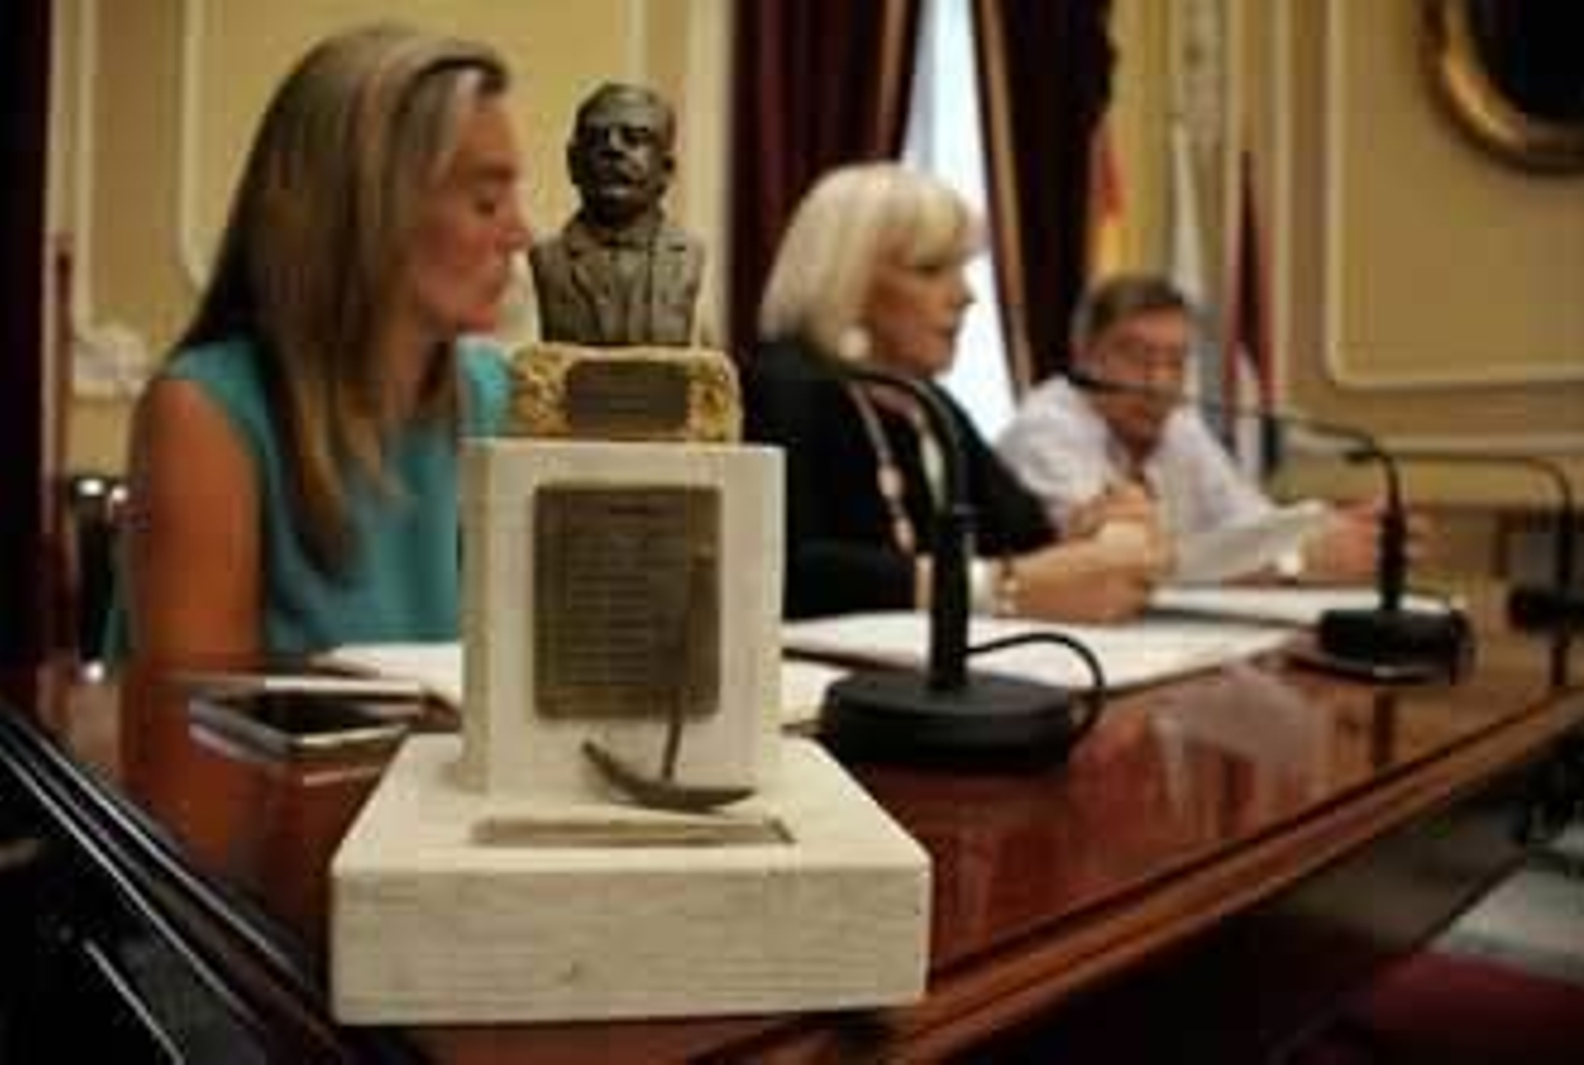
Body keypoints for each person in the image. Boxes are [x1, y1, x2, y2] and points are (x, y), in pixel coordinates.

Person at [114, 23, 532, 666]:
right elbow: (193, 752)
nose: (522, 235)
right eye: (485, 201)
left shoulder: (507, 399)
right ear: (367, 209)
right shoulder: (204, 416)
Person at [743, 163, 1168, 622]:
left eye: (963, 269)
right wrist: (998, 588)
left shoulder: (931, 407)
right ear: (846, 279)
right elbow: (788, 572)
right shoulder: (779, 387)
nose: (965, 295)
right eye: (931, 270)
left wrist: (1090, 536)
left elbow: (1025, 543)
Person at [996, 273, 1389, 584]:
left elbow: (1248, 524)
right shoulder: (1046, 429)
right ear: (1085, 360)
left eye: (1176, 362)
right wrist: (1295, 561)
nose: (1160, 382)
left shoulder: (1179, 425)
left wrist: (1323, 529)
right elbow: (1121, 563)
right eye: (1138, 357)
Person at [530, 82, 705, 346]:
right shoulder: (547, 259)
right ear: (573, 163)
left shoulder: (688, 255)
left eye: (635, 138)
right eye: (596, 138)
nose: (613, 148)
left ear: (666, 169)